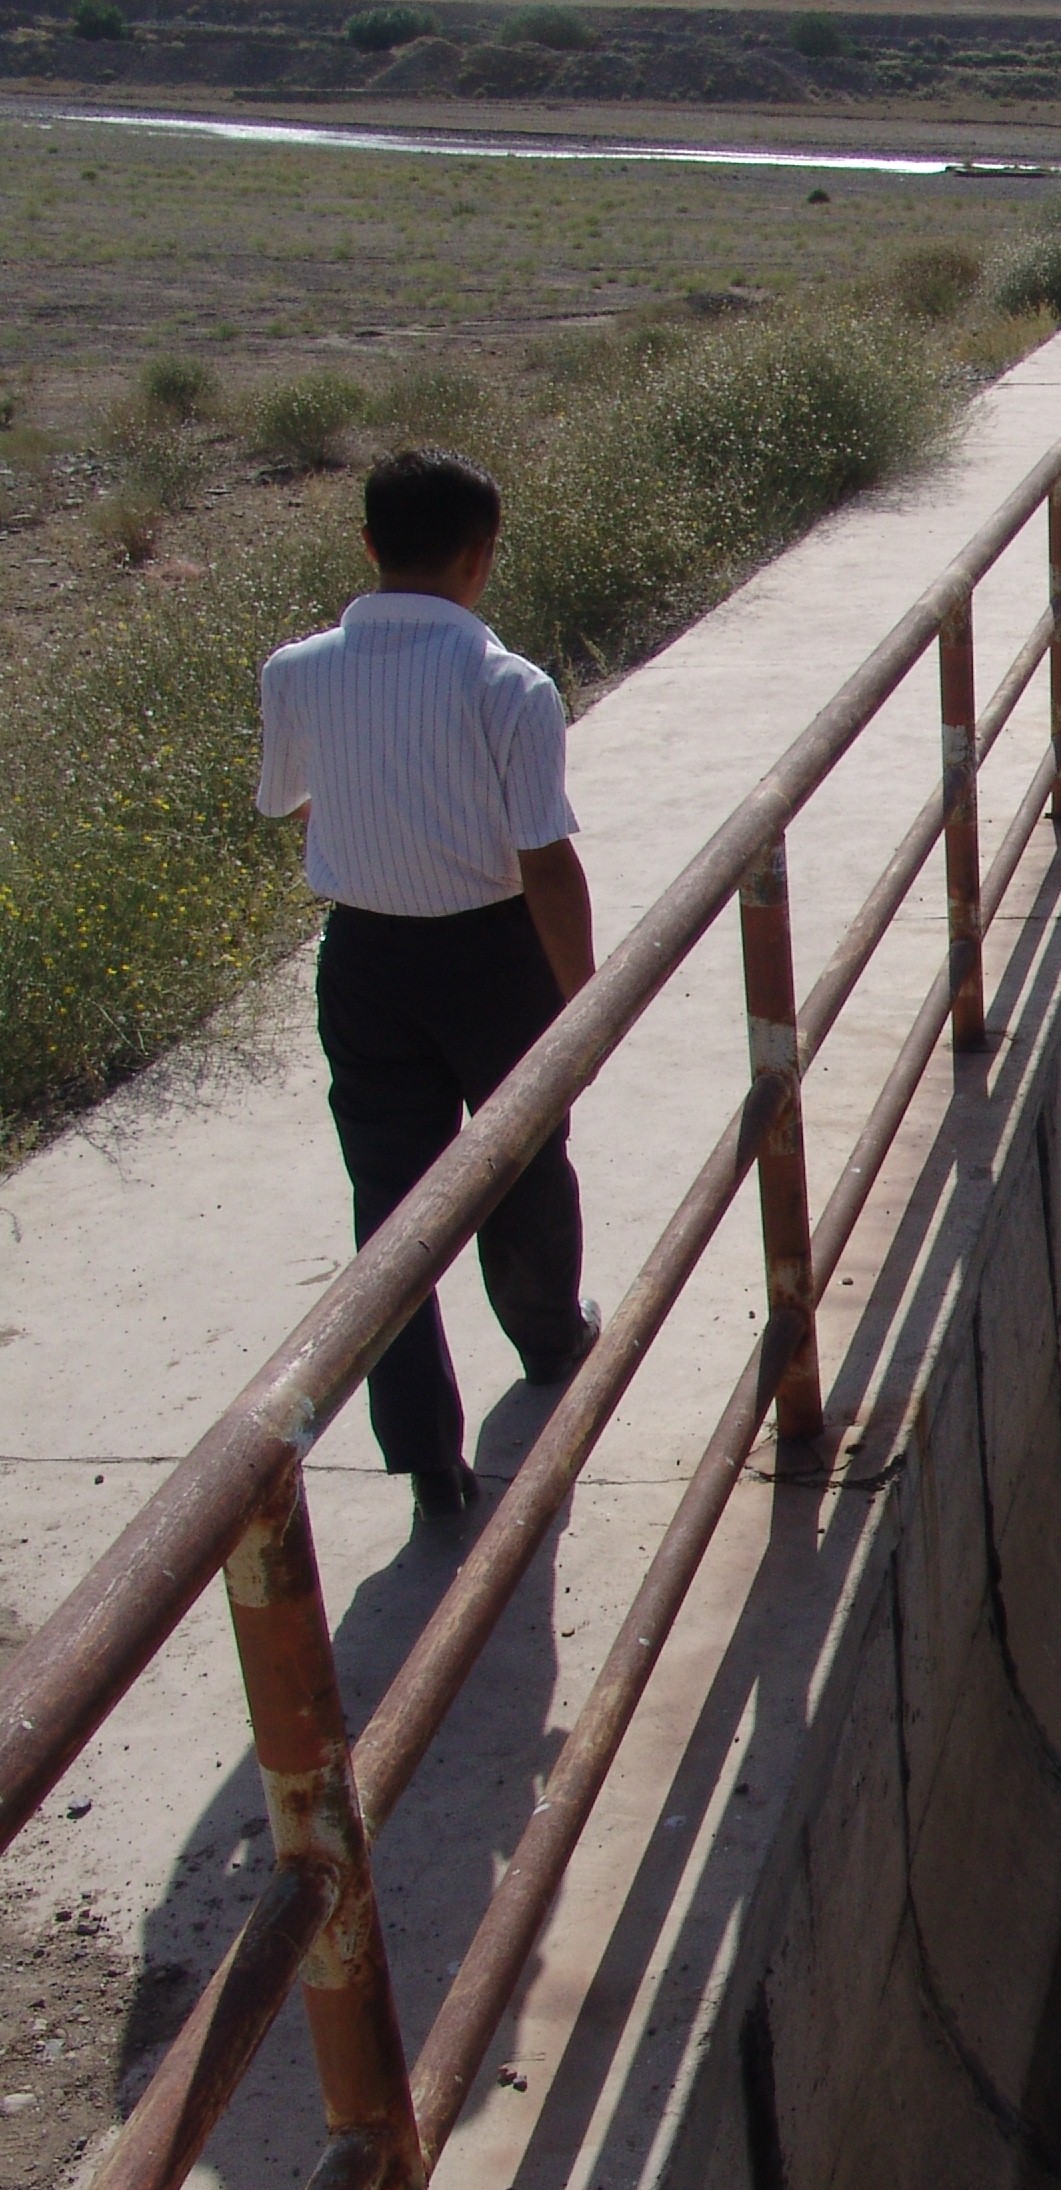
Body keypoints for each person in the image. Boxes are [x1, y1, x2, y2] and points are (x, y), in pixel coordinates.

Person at [257, 447, 601, 1525]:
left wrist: (379, 833)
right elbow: (545, 858)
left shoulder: (297, 671)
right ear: (479, 557)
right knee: (523, 1160)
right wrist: (584, 1003)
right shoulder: (508, 685)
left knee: (390, 1213)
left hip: (362, 962)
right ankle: (550, 1341)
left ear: (368, 546)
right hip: (492, 957)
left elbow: (293, 801)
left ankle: (426, 1461)